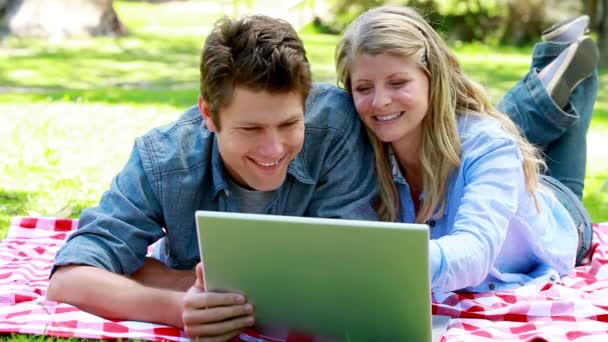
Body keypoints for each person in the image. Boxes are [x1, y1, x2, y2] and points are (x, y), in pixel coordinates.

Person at [46, 15, 378, 340]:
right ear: (208, 114)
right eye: (251, 129)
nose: (273, 148)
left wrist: (170, 278)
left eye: (289, 124)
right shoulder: (165, 159)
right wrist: (179, 308)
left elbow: (349, 266)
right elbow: (69, 280)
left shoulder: (337, 125)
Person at [335, 6, 599, 293]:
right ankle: (561, 63)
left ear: (432, 77)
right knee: (495, 130)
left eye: (398, 83)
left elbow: (474, 253)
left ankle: (577, 70)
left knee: (495, 135)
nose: (379, 101)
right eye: (363, 88)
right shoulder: (358, 144)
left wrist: (380, 262)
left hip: (559, 215)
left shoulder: (489, 144)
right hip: (499, 174)